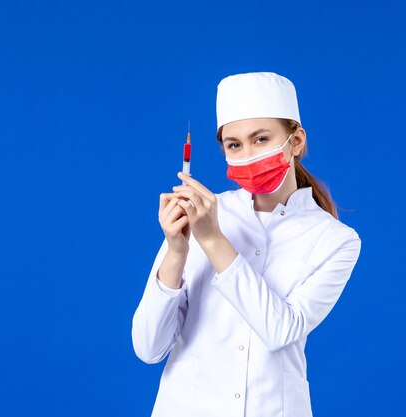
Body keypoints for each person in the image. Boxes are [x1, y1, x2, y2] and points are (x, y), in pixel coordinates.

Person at [131, 72, 362, 417]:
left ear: (296, 141)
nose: (248, 154)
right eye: (235, 145)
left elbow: (280, 330)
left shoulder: (335, 240)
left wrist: (211, 238)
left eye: (262, 139)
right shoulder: (204, 213)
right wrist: (177, 252)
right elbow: (149, 348)